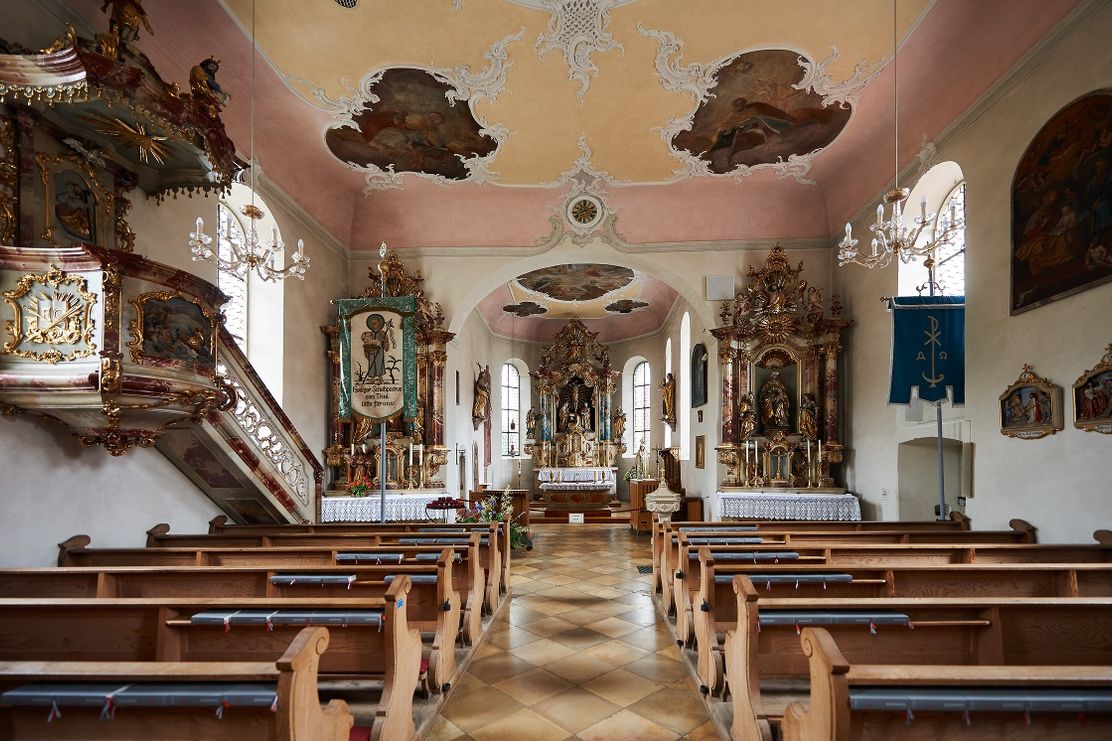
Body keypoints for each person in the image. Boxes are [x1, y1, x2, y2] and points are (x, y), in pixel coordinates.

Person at [360, 313, 393, 380]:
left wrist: (383, 343)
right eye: (372, 323)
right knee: (371, 364)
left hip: (379, 351)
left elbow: (386, 341)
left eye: (375, 323)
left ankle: (380, 378)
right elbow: (366, 340)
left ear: (379, 323)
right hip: (371, 351)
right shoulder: (369, 334)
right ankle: (372, 379)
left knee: (379, 363)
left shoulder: (382, 333)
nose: (374, 325)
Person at [472, 364, 490, 430]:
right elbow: (479, 387)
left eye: (484, 376)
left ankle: (478, 412)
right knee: (481, 403)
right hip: (481, 395)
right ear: (481, 375)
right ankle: (477, 412)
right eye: (483, 375)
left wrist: (486, 388)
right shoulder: (479, 381)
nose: (484, 376)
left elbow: (483, 387)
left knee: (483, 403)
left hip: (483, 395)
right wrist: (484, 391)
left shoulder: (481, 381)